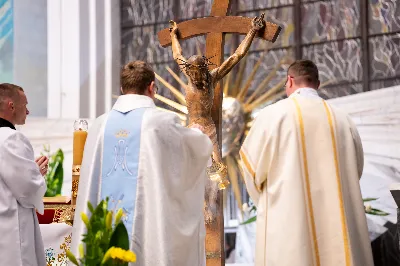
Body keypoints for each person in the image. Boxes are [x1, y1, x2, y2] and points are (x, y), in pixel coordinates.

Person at [71, 61, 213, 266]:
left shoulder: (100, 125)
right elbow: (193, 152)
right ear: (152, 87)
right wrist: (200, 134)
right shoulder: (160, 122)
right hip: (148, 233)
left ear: (122, 88)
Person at [239, 60, 374, 266]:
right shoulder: (342, 119)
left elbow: (251, 168)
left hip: (290, 219)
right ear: (317, 84)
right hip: (337, 226)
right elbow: (355, 171)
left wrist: (268, 201)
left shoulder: (273, 115)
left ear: (290, 81)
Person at [0, 83, 49, 266]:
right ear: (11, 106)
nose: (27, 112)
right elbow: (28, 191)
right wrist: (37, 173)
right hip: (11, 232)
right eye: (25, 105)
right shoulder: (11, 138)